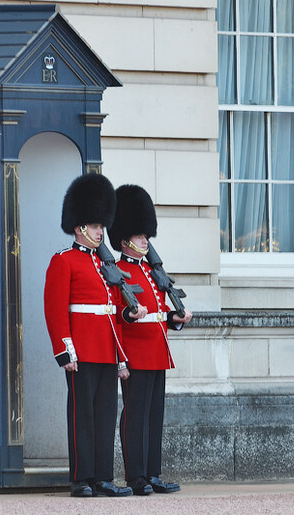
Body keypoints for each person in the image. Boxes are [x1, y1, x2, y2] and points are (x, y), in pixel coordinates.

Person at [44, 173, 147, 498]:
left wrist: (127, 320)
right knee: (82, 415)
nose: (101, 232)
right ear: (79, 228)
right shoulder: (64, 261)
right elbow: (55, 310)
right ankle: (81, 478)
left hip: (105, 348)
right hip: (81, 349)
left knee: (104, 415)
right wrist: (65, 350)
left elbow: (112, 311)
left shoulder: (105, 267)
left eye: (102, 226)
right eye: (95, 226)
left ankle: (103, 477)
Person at [108, 184, 192, 496]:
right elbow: (119, 315)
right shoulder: (117, 272)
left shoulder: (151, 272)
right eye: (141, 235)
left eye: (146, 235)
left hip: (157, 351)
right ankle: (136, 476)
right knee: (135, 415)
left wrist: (176, 319)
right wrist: (131, 316)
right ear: (125, 239)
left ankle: (152, 473)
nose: (146, 239)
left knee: (154, 416)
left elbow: (158, 314)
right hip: (135, 352)